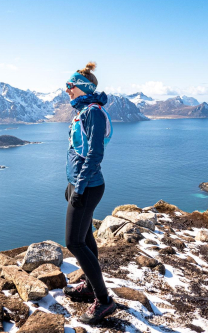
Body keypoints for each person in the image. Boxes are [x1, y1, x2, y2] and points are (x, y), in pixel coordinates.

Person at [62, 62, 116, 324]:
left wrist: (80, 187)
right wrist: (71, 184)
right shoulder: (83, 110)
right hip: (80, 184)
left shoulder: (92, 113)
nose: (66, 91)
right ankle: (89, 286)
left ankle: (104, 301)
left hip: (90, 185)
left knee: (74, 242)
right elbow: (76, 154)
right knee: (85, 237)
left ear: (81, 87)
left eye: (69, 86)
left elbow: (94, 155)